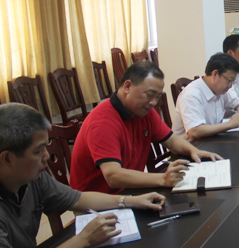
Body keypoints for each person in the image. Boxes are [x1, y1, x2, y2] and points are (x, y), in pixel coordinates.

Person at [0, 103, 167, 248]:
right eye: (38, 151)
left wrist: (130, 200)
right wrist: (84, 239)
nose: (46, 156)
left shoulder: (32, 179)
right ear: (8, 158)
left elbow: (79, 199)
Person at [70, 62, 221, 194]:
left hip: (130, 191)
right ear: (127, 87)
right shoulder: (102, 122)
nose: (153, 102)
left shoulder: (142, 111)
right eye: (149, 95)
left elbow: (171, 140)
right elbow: (113, 176)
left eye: (157, 97)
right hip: (98, 202)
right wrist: (163, 179)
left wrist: (194, 151)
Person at [173, 53, 239, 140]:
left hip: (211, 140)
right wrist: (230, 124)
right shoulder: (191, 94)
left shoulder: (220, 90)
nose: (230, 86)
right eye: (229, 81)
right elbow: (194, 132)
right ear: (215, 74)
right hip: (192, 145)